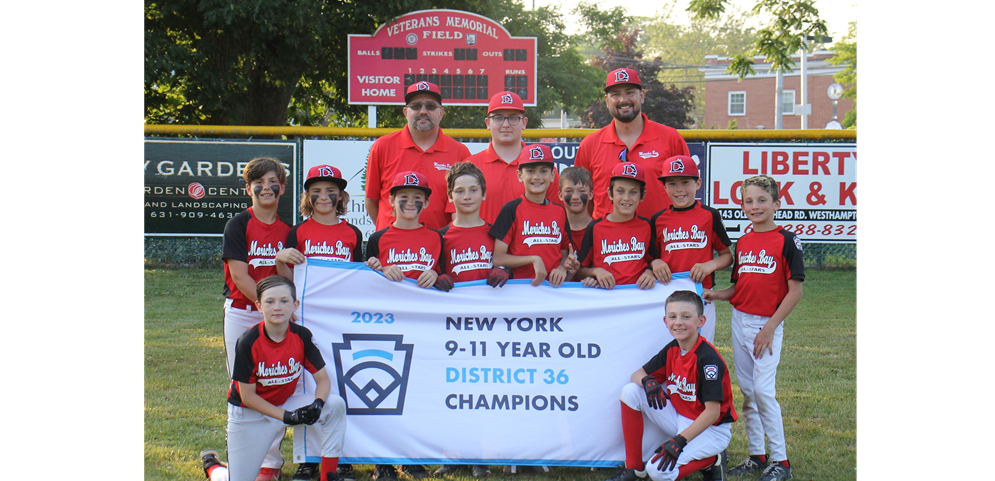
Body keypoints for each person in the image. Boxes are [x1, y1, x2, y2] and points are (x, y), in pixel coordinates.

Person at [703, 175, 804, 481]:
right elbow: (739, 287)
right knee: (748, 391)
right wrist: (716, 295)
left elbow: (795, 291)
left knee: (763, 390)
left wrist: (771, 327)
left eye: (762, 200)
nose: (755, 206)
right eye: (749, 201)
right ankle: (757, 455)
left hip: (767, 324)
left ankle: (781, 461)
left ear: (777, 203)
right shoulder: (745, 241)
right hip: (740, 320)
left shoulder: (787, 240)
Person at [200, 275, 348, 481]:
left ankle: (327, 476)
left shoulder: (302, 335)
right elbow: (248, 397)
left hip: (284, 403)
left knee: (335, 404)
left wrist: (318, 403)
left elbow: (323, 379)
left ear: (295, 305)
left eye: (284, 301)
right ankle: (213, 467)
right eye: (270, 302)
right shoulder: (248, 341)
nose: (277, 307)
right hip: (249, 414)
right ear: (259, 306)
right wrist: (286, 417)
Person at [274, 164, 362, 481]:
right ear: (307, 196)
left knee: (343, 384)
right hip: (309, 320)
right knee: (307, 385)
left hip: (342, 320)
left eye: (330, 190)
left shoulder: (352, 233)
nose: (323, 196)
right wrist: (281, 259)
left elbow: (360, 278)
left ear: (340, 195)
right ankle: (308, 458)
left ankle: (342, 456)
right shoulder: (298, 232)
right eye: (316, 191)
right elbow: (286, 280)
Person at [604, 290, 736, 481]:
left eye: (686, 317)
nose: (679, 322)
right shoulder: (673, 348)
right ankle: (635, 468)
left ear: (701, 321)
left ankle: (713, 459)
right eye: (673, 317)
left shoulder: (708, 360)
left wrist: (680, 441)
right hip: (681, 417)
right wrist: (647, 381)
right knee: (630, 391)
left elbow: (713, 412)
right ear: (665, 321)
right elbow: (637, 374)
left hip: (711, 429)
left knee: (658, 470)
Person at [221, 157, 293, 481]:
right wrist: (270, 309)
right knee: (244, 386)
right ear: (248, 188)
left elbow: (291, 276)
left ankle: (270, 463)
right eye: (259, 182)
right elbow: (239, 275)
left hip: (277, 315)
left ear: (282, 187)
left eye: (273, 181)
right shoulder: (238, 224)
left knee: (275, 384)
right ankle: (240, 454)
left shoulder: (290, 231)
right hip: (243, 312)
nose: (267, 187)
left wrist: (279, 312)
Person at [575, 68, 691, 221]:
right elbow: (583, 199)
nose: (623, 100)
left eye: (630, 92)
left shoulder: (670, 138)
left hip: (658, 238)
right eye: (616, 94)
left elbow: (687, 192)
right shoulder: (590, 144)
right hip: (607, 240)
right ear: (607, 101)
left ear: (641, 96)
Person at [365, 81, 471, 231]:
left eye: (430, 106)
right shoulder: (382, 146)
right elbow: (371, 201)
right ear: (405, 112)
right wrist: (389, 231)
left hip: (439, 246)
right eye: (415, 106)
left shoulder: (459, 152)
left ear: (441, 113)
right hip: (391, 246)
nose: (423, 111)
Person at [649, 156, 732, 344]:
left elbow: (727, 256)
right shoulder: (658, 219)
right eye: (672, 183)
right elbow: (651, 256)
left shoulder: (709, 215)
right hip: (668, 297)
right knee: (668, 349)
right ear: (664, 187)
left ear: (698, 183)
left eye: (685, 182)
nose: (679, 189)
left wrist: (710, 265)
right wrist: (655, 262)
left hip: (702, 295)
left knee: (701, 349)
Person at [448, 91, 559, 225]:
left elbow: (556, 217)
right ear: (488, 123)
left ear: (524, 122)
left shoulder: (543, 167)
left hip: (530, 244)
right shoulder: (470, 166)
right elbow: (457, 219)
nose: (506, 124)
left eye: (513, 118)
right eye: (499, 118)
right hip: (482, 245)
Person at [490, 144, 578, 288]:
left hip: (552, 289)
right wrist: (533, 259)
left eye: (543, 171)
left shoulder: (560, 211)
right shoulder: (511, 209)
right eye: (530, 171)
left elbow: (565, 255)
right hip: (519, 288)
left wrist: (562, 268)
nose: (537, 177)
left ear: (552, 175)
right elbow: (498, 258)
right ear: (520, 175)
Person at [575, 162, 657, 289]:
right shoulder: (595, 227)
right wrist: (595, 272)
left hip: (639, 299)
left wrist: (650, 272)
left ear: (642, 195)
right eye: (620, 191)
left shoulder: (647, 226)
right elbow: (579, 270)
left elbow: (652, 260)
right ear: (610, 193)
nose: (626, 198)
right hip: (607, 299)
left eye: (633, 192)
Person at [436, 161, 512, 290]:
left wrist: (506, 270)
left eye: (473, 190)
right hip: (456, 307)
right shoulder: (440, 237)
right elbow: (431, 271)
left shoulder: (497, 234)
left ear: (484, 194)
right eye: (459, 191)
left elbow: (514, 267)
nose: (467, 197)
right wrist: (436, 277)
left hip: (491, 307)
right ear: (450, 196)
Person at [558, 165, 595, 251]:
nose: (575, 197)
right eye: (569, 191)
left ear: (590, 195)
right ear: (560, 195)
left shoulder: (599, 229)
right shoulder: (555, 229)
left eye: (581, 191)